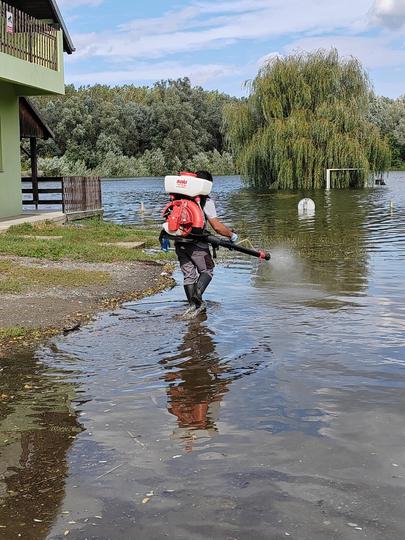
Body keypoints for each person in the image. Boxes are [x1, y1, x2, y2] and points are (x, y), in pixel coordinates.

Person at [175, 170, 238, 315]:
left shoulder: (180, 197)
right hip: (197, 245)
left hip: (180, 243)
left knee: (188, 276)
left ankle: (193, 306)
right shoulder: (205, 200)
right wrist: (232, 235)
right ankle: (197, 295)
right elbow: (217, 227)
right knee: (207, 270)